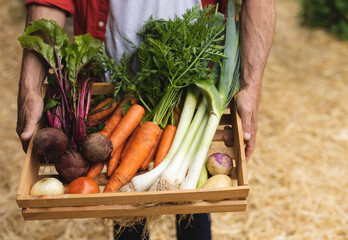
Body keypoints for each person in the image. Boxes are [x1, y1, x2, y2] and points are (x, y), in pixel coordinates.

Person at [16, 0, 275, 239]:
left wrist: (251, 86)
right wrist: (29, 89)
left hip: (193, 82)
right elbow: (49, 2)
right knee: (124, 199)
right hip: (112, 85)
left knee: (194, 204)